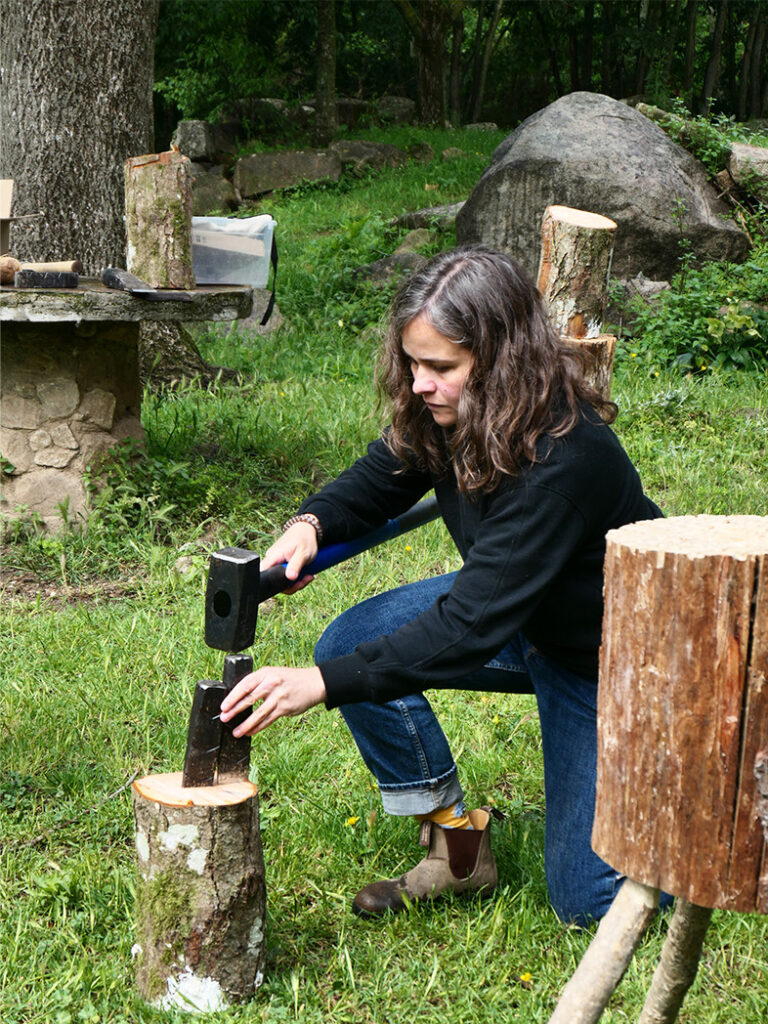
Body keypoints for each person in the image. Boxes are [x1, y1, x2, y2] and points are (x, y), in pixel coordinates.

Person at [220, 244, 663, 926]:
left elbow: (467, 628)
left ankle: (686, 801)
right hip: (525, 617)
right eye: (414, 364)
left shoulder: (563, 460)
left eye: (440, 368)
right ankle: (458, 846)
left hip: (608, 658)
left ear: (501, 363)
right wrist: (314, 520)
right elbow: (384, 473)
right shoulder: (454, 411)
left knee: (590, 906)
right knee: (356, 639)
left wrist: (323, 685)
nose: (422, 384)